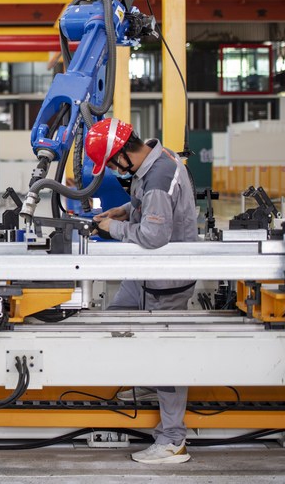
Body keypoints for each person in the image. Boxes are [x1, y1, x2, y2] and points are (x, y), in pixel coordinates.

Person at [85, 117, 199, 465]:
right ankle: (151, 379)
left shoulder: (159, 178)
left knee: (166, 358)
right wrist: (122, 211)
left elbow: (153, 236)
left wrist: (112, 229)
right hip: (145, 274)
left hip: (166, 281)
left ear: (122, 154)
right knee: (114, 321)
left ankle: (173, 440)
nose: (114, 170)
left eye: (112, 164)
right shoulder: (155, 157)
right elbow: (147, 206)